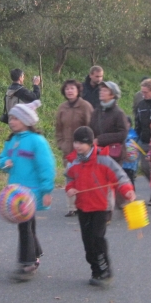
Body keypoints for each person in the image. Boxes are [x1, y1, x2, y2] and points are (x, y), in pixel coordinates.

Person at [65, 126, 134, 288]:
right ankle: (95, 270)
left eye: (81, 143)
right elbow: (70, 178)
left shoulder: (104, 160)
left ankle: (105, 271)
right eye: (75, 142)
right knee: (87, 241)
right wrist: (70, 188)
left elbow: (120, 177)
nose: (77, 146)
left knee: (97, 238)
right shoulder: (74, 161)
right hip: (83, 206)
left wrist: (127, 190)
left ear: (90, 143)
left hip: (102, 207)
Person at [0, 100, 55, 281]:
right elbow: (2, 158)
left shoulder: (37, 141)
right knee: (28, 226)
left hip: (31, 194)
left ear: (26, 120)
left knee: (25, 227)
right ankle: (34, 254)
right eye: (11, 118)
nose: (12, 122)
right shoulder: (12, 141)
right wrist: (4, 163)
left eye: (16, 118)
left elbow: (46, 166)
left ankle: (28, 263)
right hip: (15, 193)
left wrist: (46, 190)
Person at [54, 79, 93, 217]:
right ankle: (72, 207)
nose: (69, 91)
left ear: (78, 90)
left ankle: (85, 204)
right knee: (70, 176)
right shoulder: (62, 108)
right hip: (68, 149)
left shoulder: (85, 106)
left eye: (72, 88)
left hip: (84, 149)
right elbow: (58, 128)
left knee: (84, 177)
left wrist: (89, 145)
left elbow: (91, 127)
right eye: (67, 89)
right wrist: (61, 143)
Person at [89, 81, 129, 165]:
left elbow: (123, 134)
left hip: (113, 156)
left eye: (105, 90)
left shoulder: (118, 113)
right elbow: (91, 128)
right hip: (98, 153)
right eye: (101, 90)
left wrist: (100, 139)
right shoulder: (96, 111)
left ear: (112, 95)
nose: (101, 92)